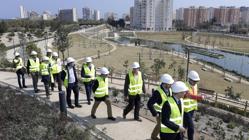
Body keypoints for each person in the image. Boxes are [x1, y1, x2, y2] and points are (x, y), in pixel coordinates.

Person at [147, 74, 174, 140]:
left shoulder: (170, 89)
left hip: (167, 112)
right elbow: (149, 103)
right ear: (165, 84)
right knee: (160, 125)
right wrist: (155, 113)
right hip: (159, 112)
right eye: (169, 84)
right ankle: (153, 137)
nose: (171, 85)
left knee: (163, 125)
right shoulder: (157, 92)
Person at [183, 70, 205, 140]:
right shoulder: (184, 86)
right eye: (194, 81)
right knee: (191, 127)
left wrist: (199, 96)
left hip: (192, 109)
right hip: (185, 110)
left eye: (196, 81)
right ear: (189, 79)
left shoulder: (195, 85)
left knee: (185, 126)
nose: (195, 82)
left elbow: (194, 95)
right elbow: (188, 95)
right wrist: (199, 97)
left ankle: (180, 136)